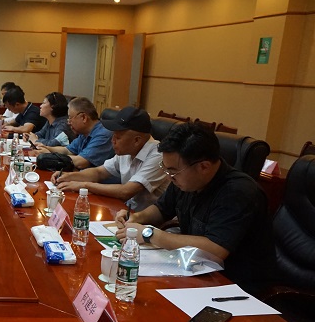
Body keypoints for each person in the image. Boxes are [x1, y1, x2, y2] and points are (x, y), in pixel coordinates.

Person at [115, 122, 275, 295]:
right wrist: (137, 218)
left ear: (203, 167)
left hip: (234, 287)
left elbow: (215, 249)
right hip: (195, 271)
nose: (169, 177)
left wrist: (149, 234)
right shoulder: (186, 179)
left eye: (173, 172)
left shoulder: (239, 191)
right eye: (166, 169)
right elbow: (161, 209)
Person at [51, 106, 168, 212]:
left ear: (136, 140)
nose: (112, 141)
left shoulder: (158, 155)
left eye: (118, 137)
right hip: (124, 212)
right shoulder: (128, 150)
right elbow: (99, 172)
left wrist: (84, 185)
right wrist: (68, 176)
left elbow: (126, 191)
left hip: (148, 222)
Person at [35, 97, 114, 169]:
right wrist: (47, 148)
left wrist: (50, 156)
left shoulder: (103, 134)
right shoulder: (84, 133)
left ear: (83, 117)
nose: (68, 122)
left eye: (70, 117)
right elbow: (67, 150)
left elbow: (81, 162)